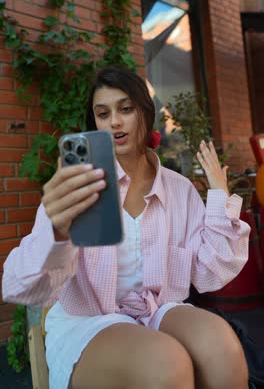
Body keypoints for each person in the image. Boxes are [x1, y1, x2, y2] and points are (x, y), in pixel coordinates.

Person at [2, 66, 250, 389]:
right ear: (95, 124)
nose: (114, 122)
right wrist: (59, 228)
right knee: (165, 363)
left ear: (145, 113)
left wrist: (219, 195)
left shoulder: (179, 189)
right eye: (103, 114)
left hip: (157, 311)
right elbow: (22, 287)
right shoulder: (81, 187)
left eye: (126, 109)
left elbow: (209, 272)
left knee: (224, 349)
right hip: (89, 321)